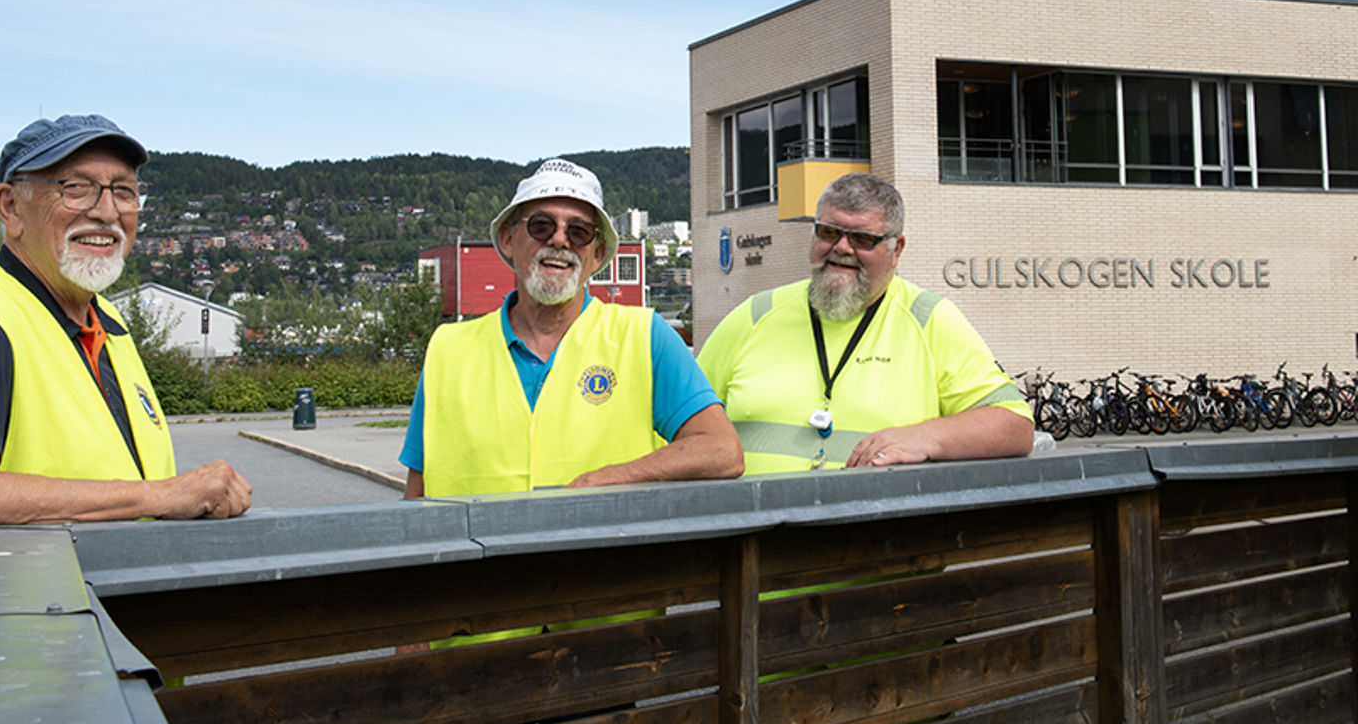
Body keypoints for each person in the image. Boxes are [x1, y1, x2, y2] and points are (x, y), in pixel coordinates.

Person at [0, 115, 251, 576]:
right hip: (3, 636)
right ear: (10, 208)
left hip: (91, 628)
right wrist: (160, 496)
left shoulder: (108, 322)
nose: (107, 211)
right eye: (76, 188)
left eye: (123, 191)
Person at [400, 158, 743, 499]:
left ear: (597, 255)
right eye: (541, 226)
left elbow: (722, 450)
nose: (560, 241)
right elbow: (417, 490)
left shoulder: (644, 337)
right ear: (508, 239)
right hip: (480, 555)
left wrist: (610, 478)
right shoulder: (448, 349)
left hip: (601, 554)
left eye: (579, 231)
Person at [698, 172, 1033, 473]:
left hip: (873, 537)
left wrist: (924, 438)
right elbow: (679, 423)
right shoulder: (755, 314)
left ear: (896, 248)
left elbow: (1014, 425)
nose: (841, 248)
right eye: (829, 232)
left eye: (861, 238)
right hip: (753, 534)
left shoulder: (930, 320)